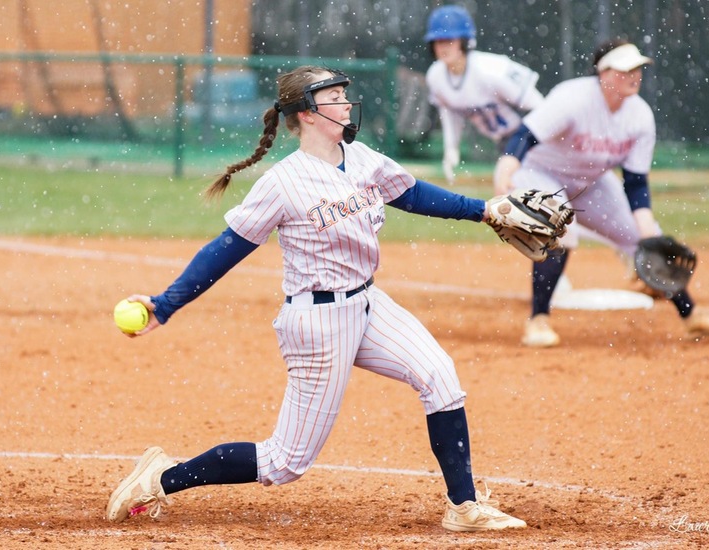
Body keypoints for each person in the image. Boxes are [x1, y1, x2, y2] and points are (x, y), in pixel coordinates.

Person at [106, 65, 527, 533]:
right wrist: (164, 304)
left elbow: (412, 194)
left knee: (440, 378)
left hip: (369, 304)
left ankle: (463, 506)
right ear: (306, 114)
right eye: (335, 96)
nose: (347, 103)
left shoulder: (362, 158)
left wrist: (484, 211)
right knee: (284, 462)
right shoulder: (284, 183)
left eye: (345, 93)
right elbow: (225, 250)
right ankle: (160, 478)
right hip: (318, 321)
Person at [493, 39, 709, 348]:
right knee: (561, 228)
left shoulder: (640, 116)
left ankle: (692, 317)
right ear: (603, 73)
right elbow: (526, 134)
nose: (634, 75)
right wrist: (508, 165)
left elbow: (635, 181)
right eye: (624, 69)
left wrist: (646, 228)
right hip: (538, 171)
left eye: (637, 68)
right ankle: (538, 321)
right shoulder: (574, 97)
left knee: (643, 238)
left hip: (590, 181)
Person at [423, 5, 544, 184]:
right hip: (504, 141)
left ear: (464, 42)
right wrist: (451, 149)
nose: (442, 47)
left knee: (511, 187)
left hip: (528, 133)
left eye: (449, 40)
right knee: (513, 190)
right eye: (437, 41)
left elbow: (539, 106)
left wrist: (546, 139)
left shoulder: (490, 70)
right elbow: (449, 111)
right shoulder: (435, 76)